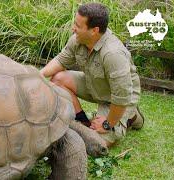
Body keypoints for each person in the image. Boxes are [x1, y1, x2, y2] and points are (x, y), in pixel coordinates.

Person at [40, 3, 145, 147]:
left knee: (96, 144)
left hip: (117, 99)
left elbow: (121, 97)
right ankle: (82, 121)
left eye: (78, 25)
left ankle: (131, 116)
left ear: (94, 30)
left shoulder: (113, 54)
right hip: (95, 85)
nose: (73, 28)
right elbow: (60, 60)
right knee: (58, 79)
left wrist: (108, 124)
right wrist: (37, 76)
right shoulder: (78, 39)